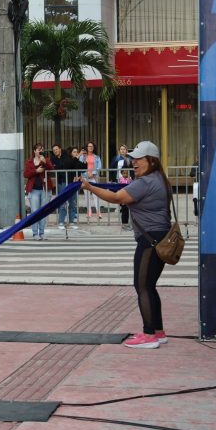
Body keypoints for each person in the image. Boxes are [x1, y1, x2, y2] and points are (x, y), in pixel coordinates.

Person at [79, 141, 171, 349]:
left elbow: (116, 197)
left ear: (152, 161)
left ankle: (149, 336)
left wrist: (89, 186)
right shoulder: (159, 179)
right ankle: (158, 331)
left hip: (149, 241)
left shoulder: (145, 182)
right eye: (133, 158)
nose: (134, 162)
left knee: (142, 286)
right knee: (150, 286)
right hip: (160, 236)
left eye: (139, 159)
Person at [24, 143, 54, 240]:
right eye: (38, 149)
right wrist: (36, 171)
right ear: (34, 151)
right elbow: (26, 174)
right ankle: (34, 233)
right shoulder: (29, 162)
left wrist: (44, 162)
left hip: (44, 189)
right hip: (34, 190)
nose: (40, 151)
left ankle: (42, 232)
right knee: (35, 212)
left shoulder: (46, 160)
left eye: (41, 149)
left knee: (43, 212)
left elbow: (51, 169)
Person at [50, 144, 79, 230]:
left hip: (71, 182)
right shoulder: (53, 158)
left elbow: (70, 165)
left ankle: (71, 222)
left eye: (56, 149)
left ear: (60, 149)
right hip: (61, 182)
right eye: (54, 150)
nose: (55, 151)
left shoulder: (66, 155)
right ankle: (61, 222)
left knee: (72, 202)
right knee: (62, 203)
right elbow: (57, 167)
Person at [111, 144, 133, 229]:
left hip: (128, 182)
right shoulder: (116, 158)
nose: (122, 150)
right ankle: (124, 222)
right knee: (122, 201)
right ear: (119, 150)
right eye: (121, 149)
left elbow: (132, 170)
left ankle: (129, 222)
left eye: (124, 149)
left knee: (127, 202)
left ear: (126, 150)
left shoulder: (129, 159)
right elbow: (112, 169)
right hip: (119, 181)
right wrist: (112, 179)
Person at [80, 141, 102, 219]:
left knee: (96, 195)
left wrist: (93, 173)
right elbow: (80, 166)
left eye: (92, 146)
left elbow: (99, 167)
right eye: (89, 146)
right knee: (87, 196)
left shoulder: (97, 157)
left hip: (94, 177)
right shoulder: (82, 157)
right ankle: (89, 211)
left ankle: (98, 212)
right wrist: (86, 174)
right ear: (86, 147)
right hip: (85, 177)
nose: (90, 148)